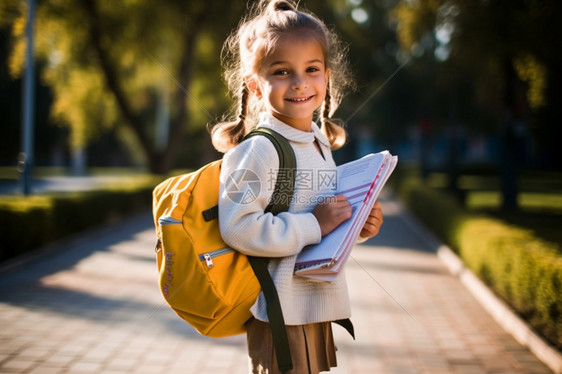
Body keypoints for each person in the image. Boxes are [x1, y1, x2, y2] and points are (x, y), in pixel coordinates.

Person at [211, 1, 384, 372]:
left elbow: (319, 216)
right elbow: (238, 226)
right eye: (282, 71)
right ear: (255, 85)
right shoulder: (259, 149)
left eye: (312, 69)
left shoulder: (318, 141)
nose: (300, 82)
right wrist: (315, 225)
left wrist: (356, 226)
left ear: (327, 77)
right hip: (279, 312)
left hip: (313, 305)